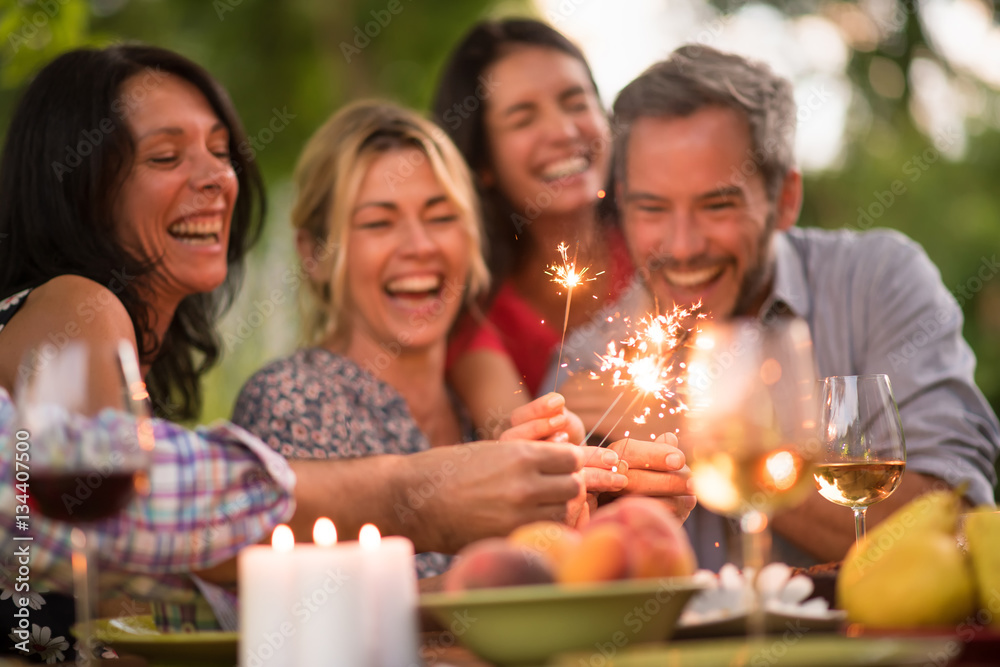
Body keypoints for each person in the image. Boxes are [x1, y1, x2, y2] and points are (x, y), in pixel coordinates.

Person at [0, 45, 590, 658]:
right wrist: (425, 503)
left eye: (222, 152)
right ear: (82, 186)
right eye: (167, 156)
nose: (215, 178)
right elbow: (119, 579)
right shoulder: (80, 307)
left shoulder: (114, 352)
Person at [556, 45, 1000, 569]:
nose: (680, 246)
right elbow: (553, 572)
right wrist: (548, 506)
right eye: (651, 208)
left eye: (717, 204)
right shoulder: (588, 358)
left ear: (785, 198)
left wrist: (701, 431)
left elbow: (957, 525)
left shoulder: (879, 283)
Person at [231, 100, 631, 578]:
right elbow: (326, 622)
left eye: (441, 217)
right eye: (378, 223)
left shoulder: (479, 407)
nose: (419, 246)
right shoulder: (290, 402)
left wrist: (612, 528)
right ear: (313, 254)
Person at [432, 18, 635, 424]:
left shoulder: (663, 242)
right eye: (523, 118)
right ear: (483, 162)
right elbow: (523, 448)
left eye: (576, 103)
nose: (562, 131)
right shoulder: (477, 314)